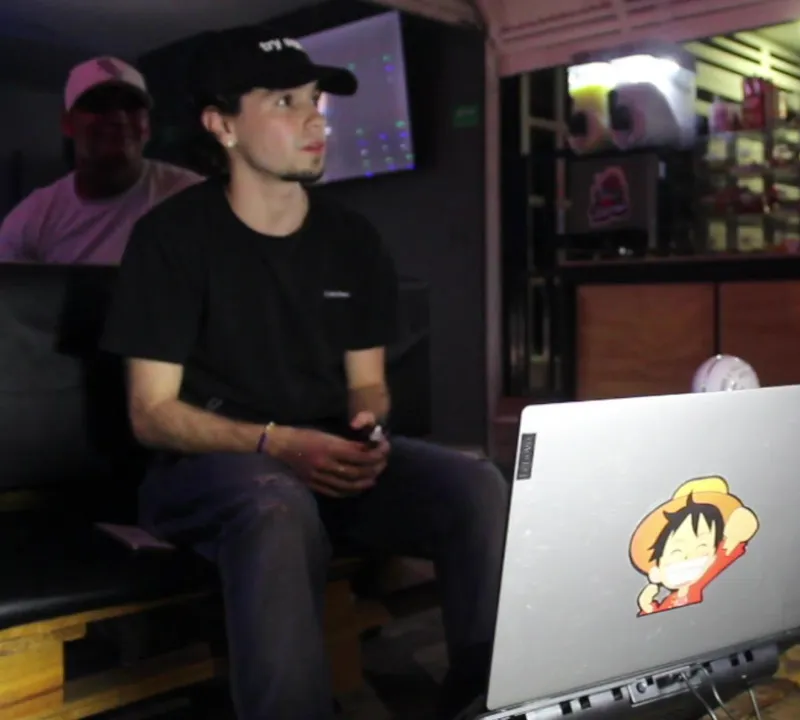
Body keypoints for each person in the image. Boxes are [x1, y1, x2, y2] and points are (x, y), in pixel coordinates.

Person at [99, 25, 507, 720]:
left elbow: (368, 382)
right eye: (285, 102)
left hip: (323, 459)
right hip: (205, 471)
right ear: (223, 125)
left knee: (476, 484)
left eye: (315, 100)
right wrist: (276, 443)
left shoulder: (353, 240)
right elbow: (151, 413)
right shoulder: (170, 238)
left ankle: (487, 698)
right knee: (275, 503)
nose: (316, 120)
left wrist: (369, 425)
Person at [0, 57, 203, 264]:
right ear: (67, 123)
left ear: (147, 127)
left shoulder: (193, 197)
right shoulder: (32, 218)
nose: (118, 118)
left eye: (131, 106)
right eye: (99, 104)